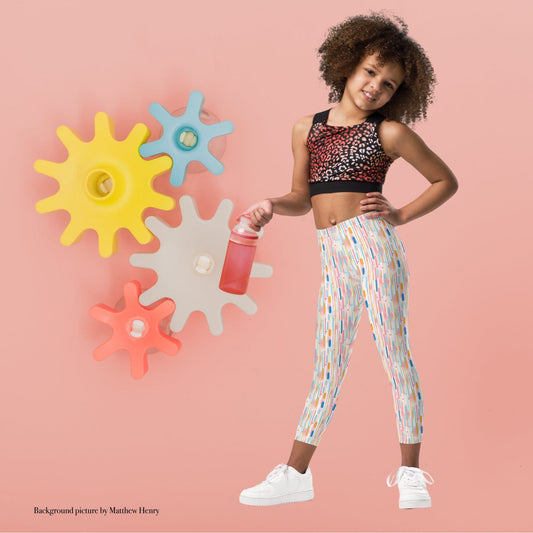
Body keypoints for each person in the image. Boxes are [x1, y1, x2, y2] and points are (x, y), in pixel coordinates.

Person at [238, 11, 458, 509]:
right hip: (332, 254)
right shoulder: (306, 129)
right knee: (327, 364)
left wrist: (398, 214)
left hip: (374, 246)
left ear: (398, 92)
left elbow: (446, 180)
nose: (375, 87)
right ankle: (295, 474)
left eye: (388, 84)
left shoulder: (390, 133)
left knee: (393, 353)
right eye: (370, 72)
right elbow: (302, 195)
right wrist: (272, 205)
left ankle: (411, 473)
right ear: (348, 63)